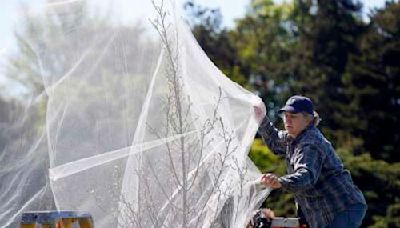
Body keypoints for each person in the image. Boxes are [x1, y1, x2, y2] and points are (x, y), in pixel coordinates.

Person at [254, 95, 367, 228]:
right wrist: (261, 118)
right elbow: (274, 141)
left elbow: (306, 176)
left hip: (341, 208)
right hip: (326, 213)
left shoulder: (310, 143)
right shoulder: (292, 137)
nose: (288, 120)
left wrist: (280, 182)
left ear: (308, 119)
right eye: (286, 116)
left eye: (294, 116)